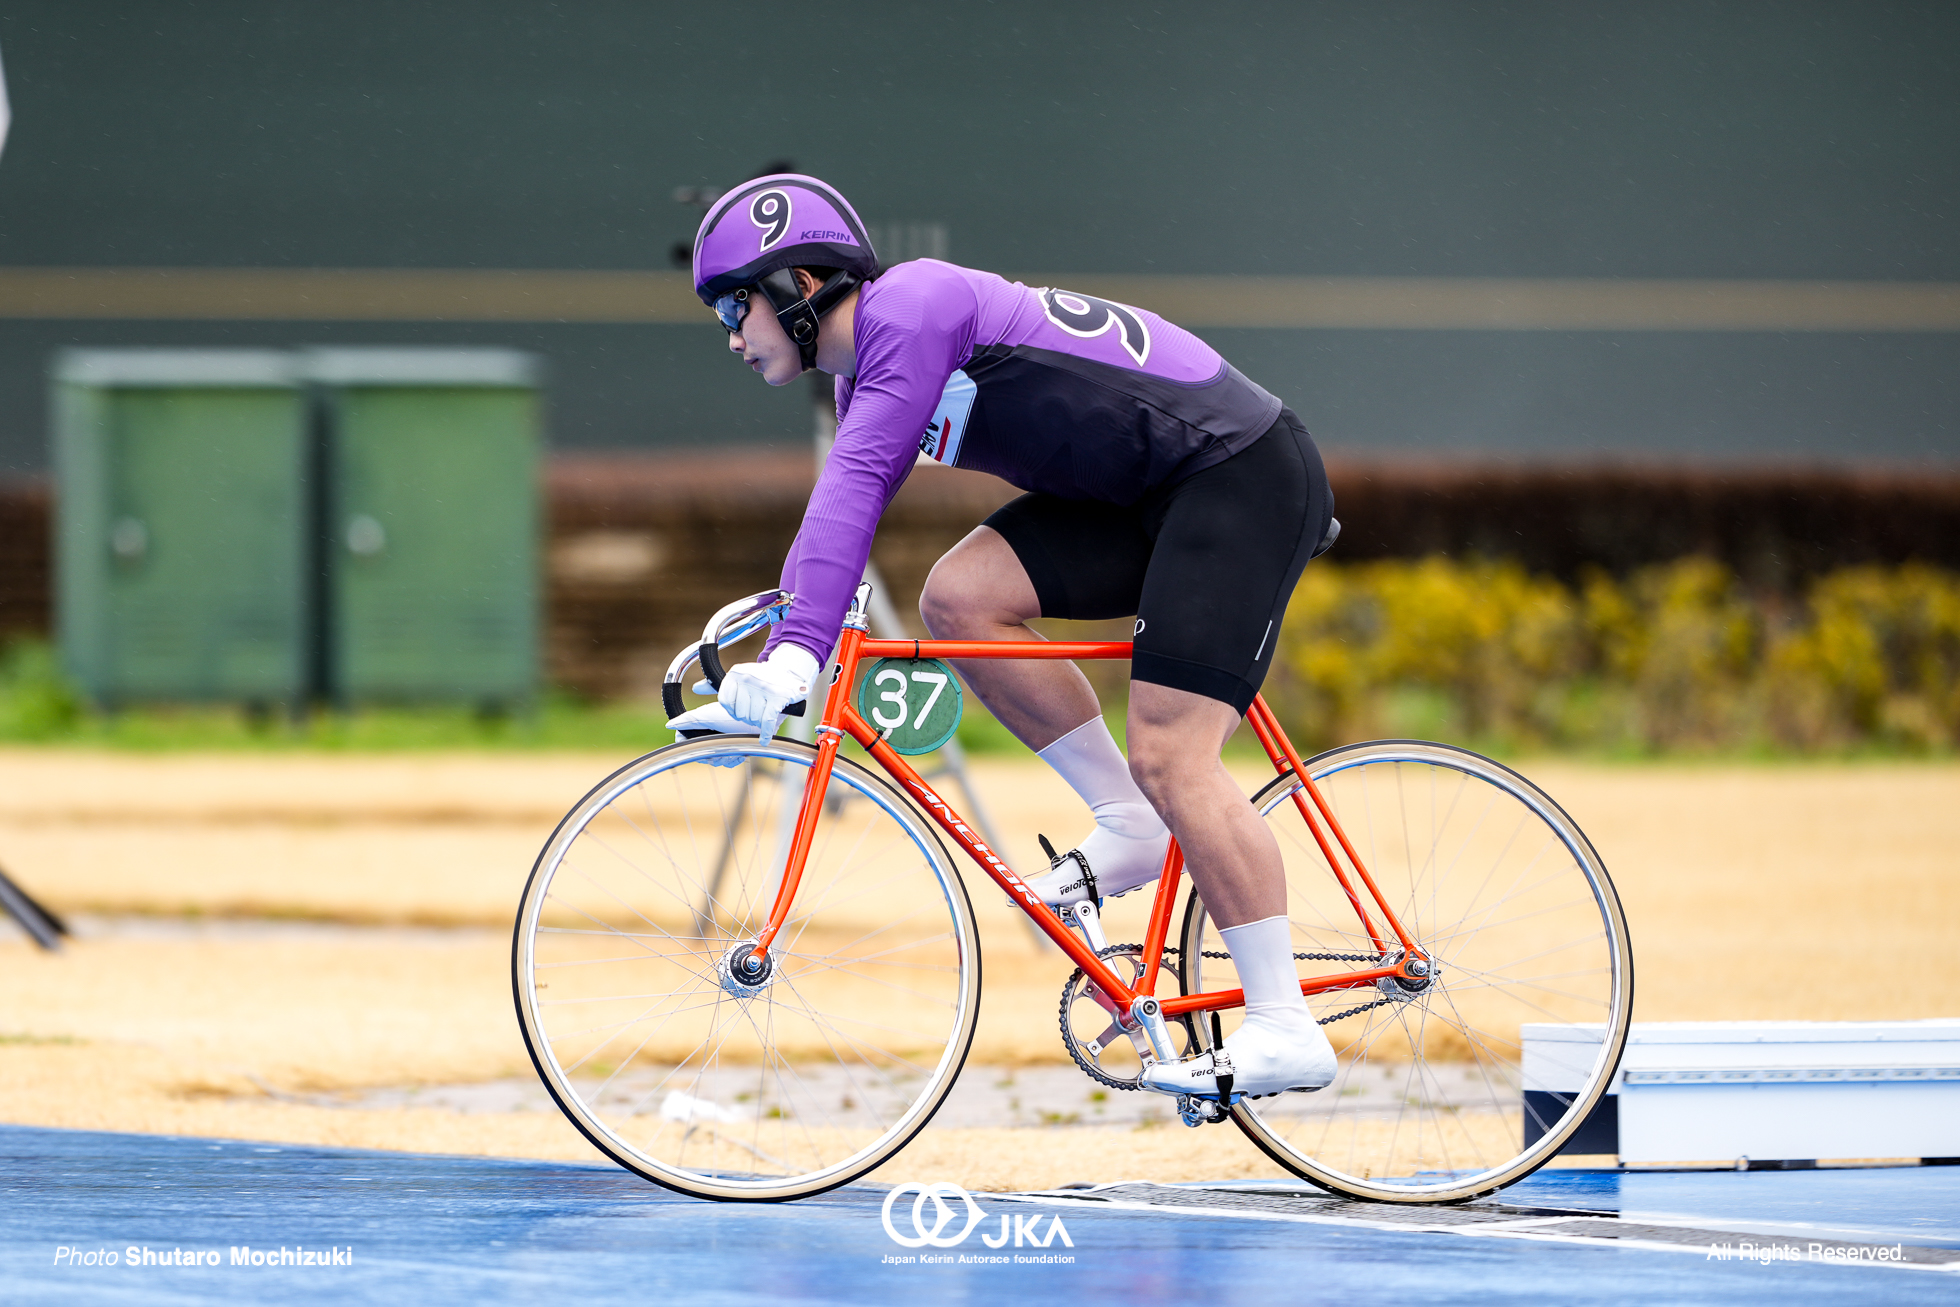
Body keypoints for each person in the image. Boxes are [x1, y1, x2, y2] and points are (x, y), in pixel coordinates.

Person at [676, 174, 1338, 1100]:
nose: (729, 335)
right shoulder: (869, 368)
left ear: (799, 284)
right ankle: (1133, 825)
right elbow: (837, 516)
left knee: (1173, 751)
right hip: (1151, 494)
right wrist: (789, 626)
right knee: (960, 598)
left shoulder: (909, 307)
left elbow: (855, 487)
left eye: (731, 305)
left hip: (1236, 474)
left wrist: (796, 654)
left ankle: (1282, 1022)